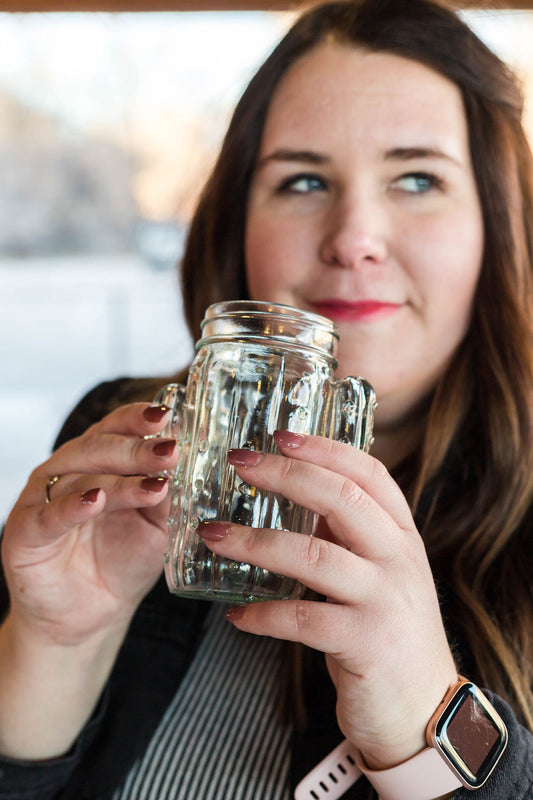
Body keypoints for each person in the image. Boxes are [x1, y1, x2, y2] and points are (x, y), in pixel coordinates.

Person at [1, 0, 533, 797]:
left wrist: (425, 731)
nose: (354, 235)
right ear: (235, 222)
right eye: (304, 179)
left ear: (499, 222)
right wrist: (51, 648)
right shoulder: (126, 456)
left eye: (417, 178)